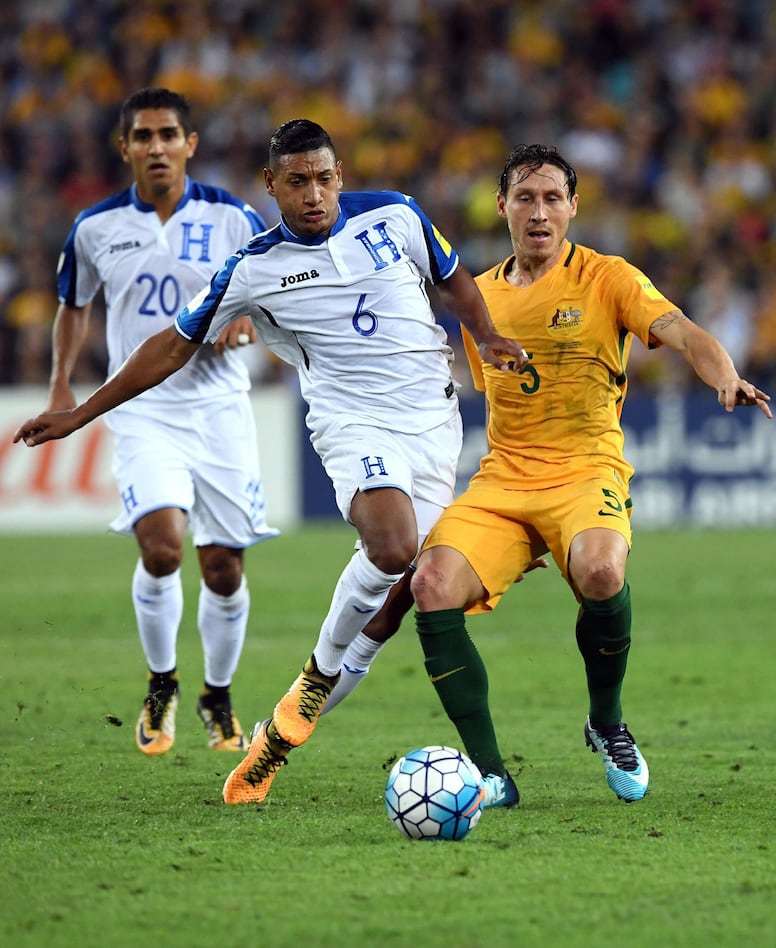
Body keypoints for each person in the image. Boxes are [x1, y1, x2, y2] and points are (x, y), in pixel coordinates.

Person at [14, 119, 528, 805]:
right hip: (353, 421)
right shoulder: (254, 267)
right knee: (392, 544)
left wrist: (487, 335)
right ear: (272, 186)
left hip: (434, 423)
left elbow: (456, 281)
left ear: (339, 174)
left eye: (323, 178)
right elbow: (171, 346)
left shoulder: (396, 215)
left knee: (390, 609)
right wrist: (81, 411)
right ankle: (315, 676)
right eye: (297, 182)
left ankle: (276, 739)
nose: (313, 194)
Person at [405, 143, 772, 805]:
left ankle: (606, 722)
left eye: (552, 198)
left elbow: (684, 330)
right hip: (504, 482)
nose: (539, 211)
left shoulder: (609, 278)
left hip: (585, 472)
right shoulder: (478, 299)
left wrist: (725, 376)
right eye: (526, 197)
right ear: (501, 207)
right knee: (429, 584)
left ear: (574, 206)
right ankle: (491, 773)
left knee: (603, 571)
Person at [40, 87, 278, 758]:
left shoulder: (234, 217)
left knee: (224, 565)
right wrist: (61, 380)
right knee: (162, 547)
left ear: (189, 144)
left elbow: (275, 286)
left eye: (168, 134)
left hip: (221, 407)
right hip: (143, 409)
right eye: (142, 136)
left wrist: (246, 318)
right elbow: (73, 305)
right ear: (126, 149)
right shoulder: (94, 227)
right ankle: (163, 681)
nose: (156, 147)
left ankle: (218, 695)